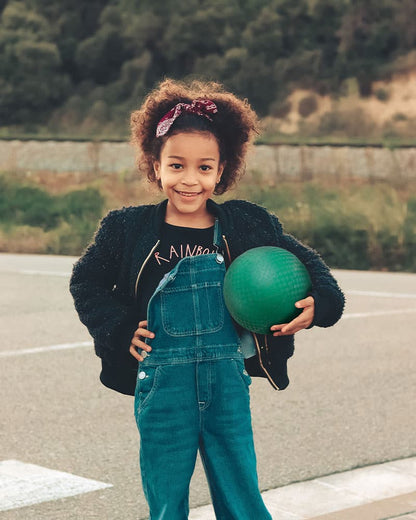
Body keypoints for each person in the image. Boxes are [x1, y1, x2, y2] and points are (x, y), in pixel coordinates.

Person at [70, 78, 345, 520]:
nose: (189, 180)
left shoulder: (247, 223)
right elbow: (87, 282)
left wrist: (321, 304)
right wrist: (119, 329)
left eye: (204, 168)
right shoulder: (127, 228)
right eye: (176, 165)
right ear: (154, 166)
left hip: (227, 378)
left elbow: (306, 262)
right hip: (160, 382)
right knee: (166, 493)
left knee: (240, 488)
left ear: (222, 171)